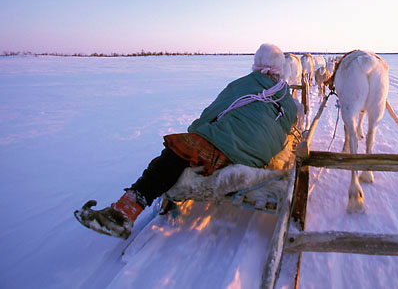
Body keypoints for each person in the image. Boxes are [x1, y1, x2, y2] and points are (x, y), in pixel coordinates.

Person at [74, 43, 298, 239]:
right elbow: (289, 127)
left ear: (256, 65)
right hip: (259, 157)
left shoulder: (243, 84)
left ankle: (122, 214)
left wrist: (197, 132)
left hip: (229, 150)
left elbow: (213, 111)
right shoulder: (286, 97)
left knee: (176, 153)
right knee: (199, 150)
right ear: (281, 70)